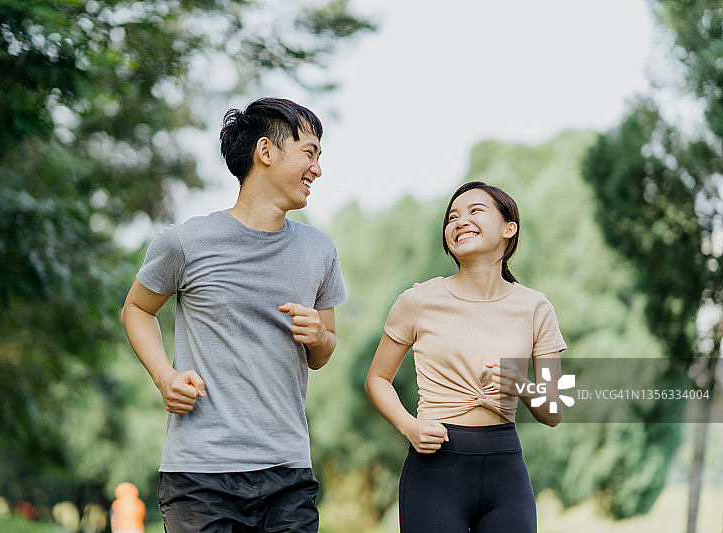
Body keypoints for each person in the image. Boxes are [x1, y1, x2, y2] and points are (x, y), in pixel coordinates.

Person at [120, 97, 347, 533]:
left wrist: (319, 337)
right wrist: (165, 376)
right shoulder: (185, 242)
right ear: (266, 151)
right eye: (309, 152)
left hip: (288, 471)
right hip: (201, 474)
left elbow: (323, 351)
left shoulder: (319, 249)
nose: (317, 169)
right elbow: (136, 309)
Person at [364, 181, 567, 533]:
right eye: (452, 217)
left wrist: (521, 384)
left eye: (475, 211)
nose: (459, 221)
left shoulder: (536, 307)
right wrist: (409, 427)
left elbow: (554, 411)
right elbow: (377, 379)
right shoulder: (417, 301)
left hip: (506, 469)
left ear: (509, 228)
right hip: (435, 466)